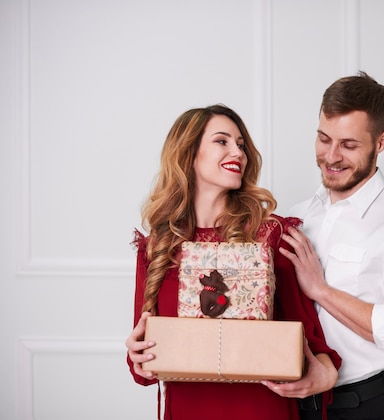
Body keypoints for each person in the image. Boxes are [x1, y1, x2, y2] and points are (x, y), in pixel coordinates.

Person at [125, 104, 341, 420]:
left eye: (241, 144)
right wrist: (137, 355)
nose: (237, 152)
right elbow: (144, 370)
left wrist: (324, 373)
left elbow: (310, 338)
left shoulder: (272, 236)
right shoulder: (158, 248)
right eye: (222, 141)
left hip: (260, 410)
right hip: (188, 410)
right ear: (189, 153)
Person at [272, 72, 384, 419]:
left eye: (348, 145)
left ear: (381, 143)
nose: (331, 156)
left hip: (360, 406)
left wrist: (321, 290)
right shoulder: (298, 216)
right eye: (323, 139)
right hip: (289, 404)